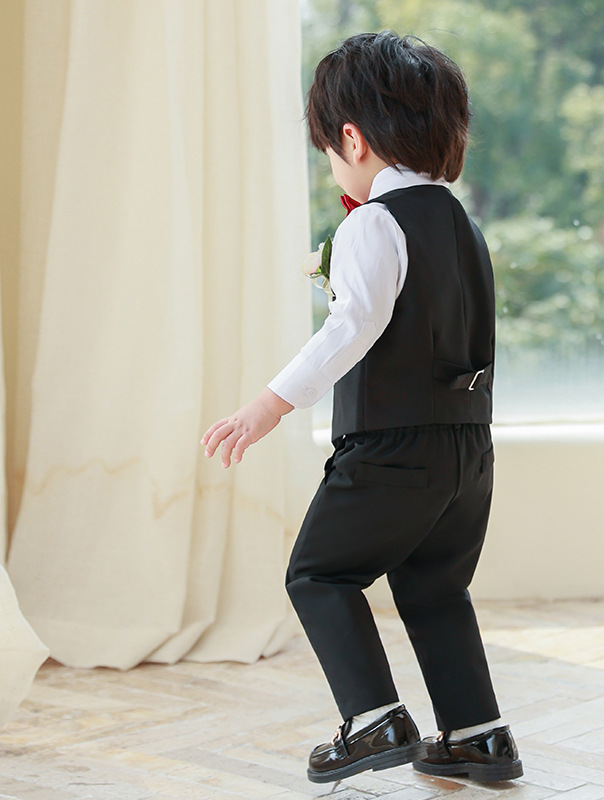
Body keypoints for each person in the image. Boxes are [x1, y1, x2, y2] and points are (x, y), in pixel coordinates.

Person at [201, 31, 523, 785]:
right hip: (468, 450)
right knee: (435, 584)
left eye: (328, 146)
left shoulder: (373, 223)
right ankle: (479, 736)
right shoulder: (464, 228)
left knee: (319, 575)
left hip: (392, 448)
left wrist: (267, 406)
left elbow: (351, 327)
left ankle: (374, 719)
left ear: (353, 136)